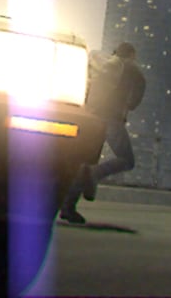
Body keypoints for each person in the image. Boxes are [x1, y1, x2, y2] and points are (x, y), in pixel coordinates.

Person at [60, 42, 146, 224]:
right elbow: (137, 95)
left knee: (85, 161)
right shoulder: (131, 68)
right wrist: (127, 104)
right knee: (126, 160)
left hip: (91, 117)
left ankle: (68, 206)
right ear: (131, 54)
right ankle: (95, 173)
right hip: (112, 119)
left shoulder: (103, 65)